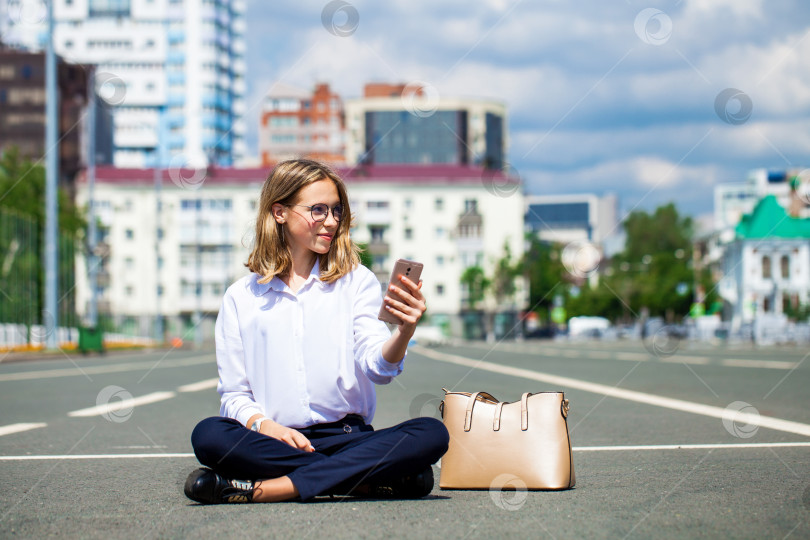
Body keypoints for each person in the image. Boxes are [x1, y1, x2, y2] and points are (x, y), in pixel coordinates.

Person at [184, 159, 449, 504]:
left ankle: (274, 488)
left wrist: (403, 332)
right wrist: (268, 428)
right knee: (209, 435)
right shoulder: (241, 297)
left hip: (349, 437)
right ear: (279, 212)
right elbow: (234, 395)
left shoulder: (357, 282)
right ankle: (360, 481)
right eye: (319, 210)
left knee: (430, 433)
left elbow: (378, 368)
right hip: (276, 442)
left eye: (337, 210)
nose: (332, 221)